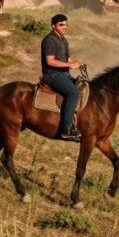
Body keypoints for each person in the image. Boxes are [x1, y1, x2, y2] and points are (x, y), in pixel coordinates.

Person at [41, 14, 85, 142]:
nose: (64, 27)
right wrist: (71, 65)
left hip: (64, 74)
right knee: (73, 92)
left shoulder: (63, 39)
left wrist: (77, 62)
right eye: (61, 25)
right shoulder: (49, 40)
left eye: (65, 24)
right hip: (52, 75)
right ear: (53, 26)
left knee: (83, 87)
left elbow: (67, 59)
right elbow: (50, 61)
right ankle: (66, 129)